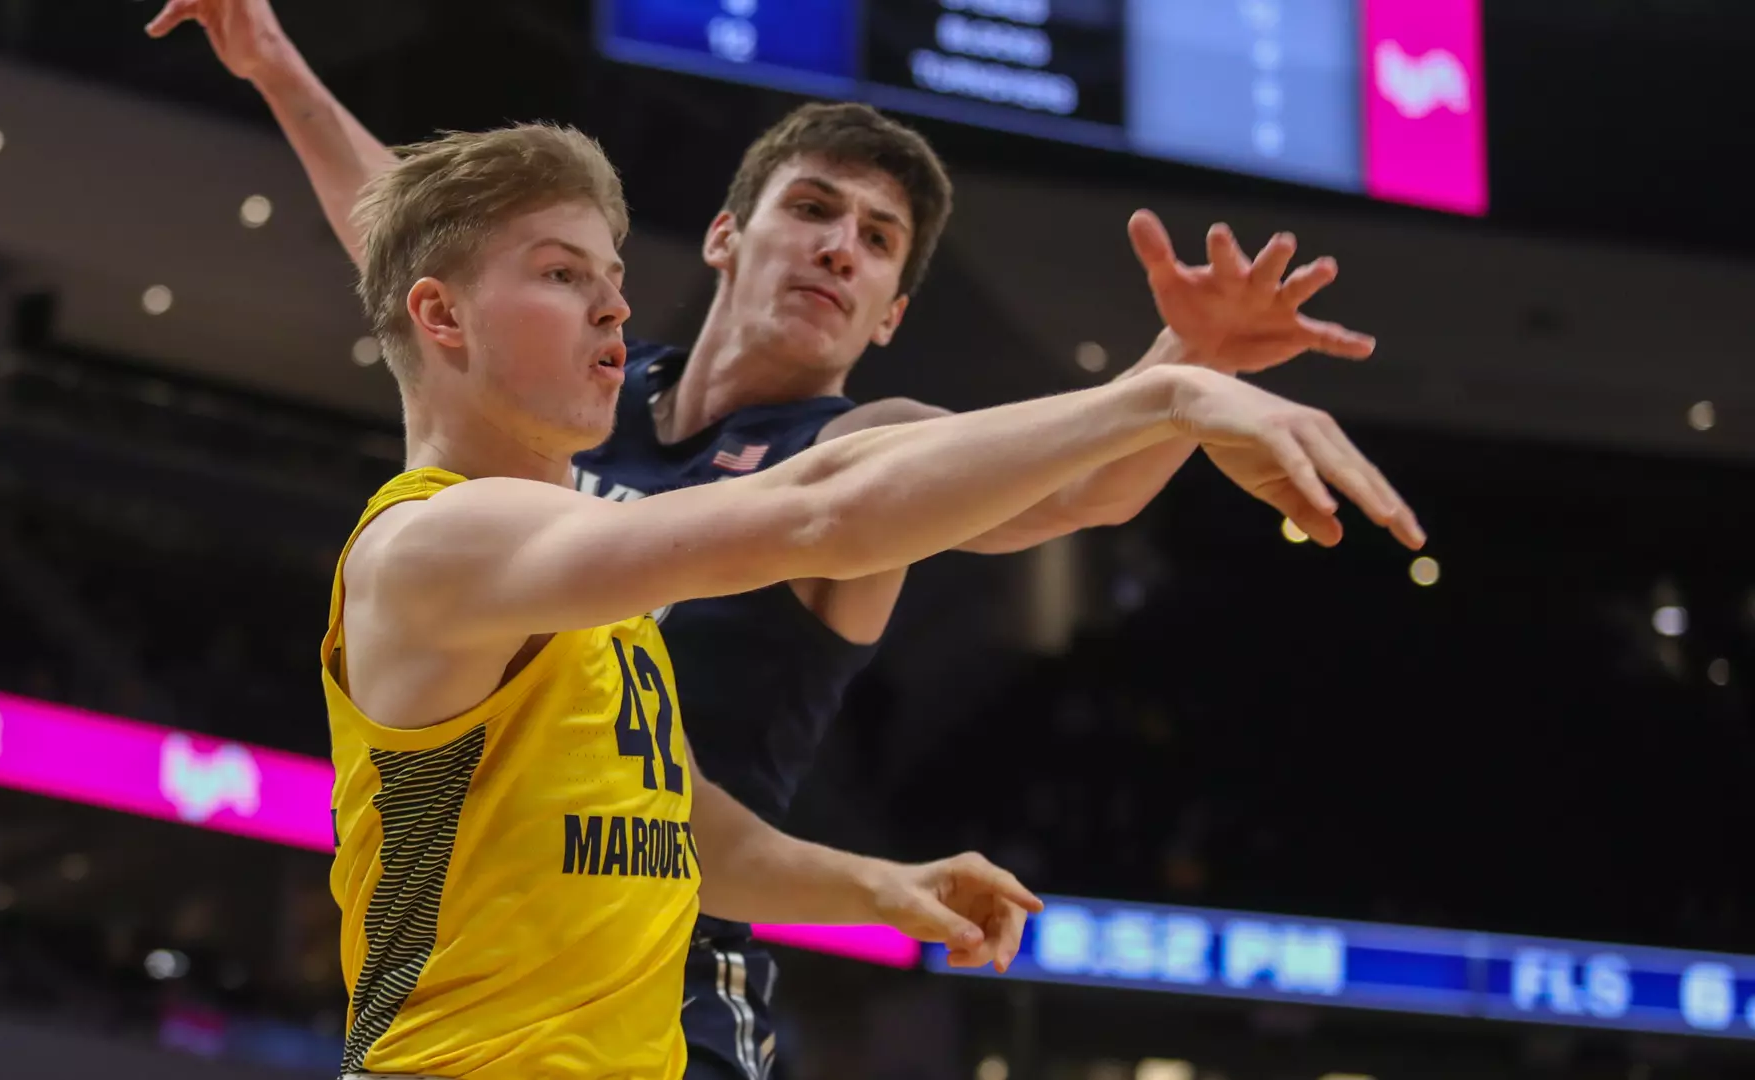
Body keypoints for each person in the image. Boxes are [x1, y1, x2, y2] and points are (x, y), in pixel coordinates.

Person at [148, 4, 1424, 1076]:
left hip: (682, 966)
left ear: (893, 312)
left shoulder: (858, 442)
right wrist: (277, 64)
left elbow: (1048, 490)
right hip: (508, 992)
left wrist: (1180, 370)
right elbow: (421, 246)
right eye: (813, 209)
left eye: (877, 241)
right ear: (726, 235)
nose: (838, 250)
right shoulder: (539, 444)